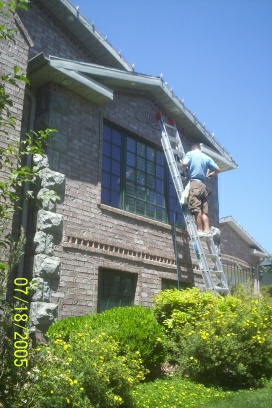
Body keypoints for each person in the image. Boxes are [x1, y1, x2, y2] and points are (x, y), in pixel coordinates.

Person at [182, 143, 220, 237]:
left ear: (192, 148)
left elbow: (184, 164)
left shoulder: (190, 154)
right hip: (203, 186)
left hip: (194, 184)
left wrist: (185, 170)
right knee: (204, 210)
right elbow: (218, 169)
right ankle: (207, 231)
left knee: (196, 209)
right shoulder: (206, 157)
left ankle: (199, 230)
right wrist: (210, 175)